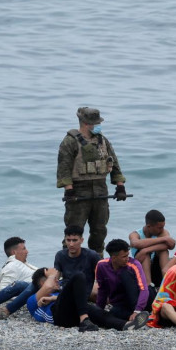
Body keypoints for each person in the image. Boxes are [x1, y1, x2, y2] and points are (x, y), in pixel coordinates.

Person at [56, 107, 126, 255]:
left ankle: (97, 265)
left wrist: (120, 186)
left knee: (99, 232)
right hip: (78, 192)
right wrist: (69, 189)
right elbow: (64, 167)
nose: (97, 126)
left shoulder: (102, 140)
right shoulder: (70, 141)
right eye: (94, 123)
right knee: (73, 234)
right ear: (85, 123)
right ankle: (68, 265)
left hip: (100, 190)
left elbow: (114, 163)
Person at [27, 267, 148, 332]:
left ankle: (126, 325)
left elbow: (92, 291)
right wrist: (52, 274)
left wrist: (53, 297)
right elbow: (48, 286)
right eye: (54, 279)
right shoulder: (32, 300)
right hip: (59, 317)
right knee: (78, 276)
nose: (57, 280)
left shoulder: (58, 293)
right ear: (43, 282)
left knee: (98, 313)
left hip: (74, 314)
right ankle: (84, 320)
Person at [95, 239, 151, 324]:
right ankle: (137, 319)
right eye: (124, 257)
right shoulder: (101, 265)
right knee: (113, 313)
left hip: (141, 299)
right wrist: (98, 310)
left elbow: (144, 289)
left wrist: (137, 310)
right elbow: (102, 290)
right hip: (121, 303)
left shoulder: (134, 264)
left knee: (125, 273)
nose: (127, 259)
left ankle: (139, 314)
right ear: (114, 258)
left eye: (128, 255)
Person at [128, 209, 175, 287]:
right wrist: (163, 239)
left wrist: (146, 250)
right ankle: (149, 285)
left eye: (163, 227)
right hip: (140, 266)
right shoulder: (135, 234)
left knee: (163, 251)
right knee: (145, 255)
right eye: (159, 227)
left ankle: (167, 281)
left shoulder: (162, 232)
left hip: (156, 268)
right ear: (149, 226)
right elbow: (135, 243)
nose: (162, 229)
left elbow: (171, 245)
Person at [54, 225, 102, 300]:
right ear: (65, 240)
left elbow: (102, 276)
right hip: (66, 289)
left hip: (86, 290)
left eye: (74, 240)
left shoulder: (92, 255)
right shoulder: (60, 255)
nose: (71, 244)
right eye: (68, 240)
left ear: (81, 240)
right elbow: (56, 277)